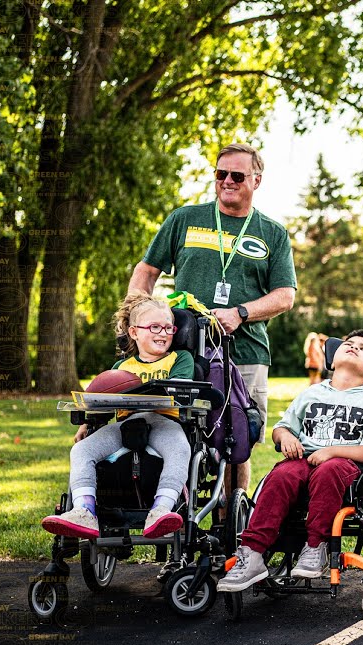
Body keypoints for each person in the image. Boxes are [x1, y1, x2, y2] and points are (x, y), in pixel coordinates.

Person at [129, 142, 297, 497]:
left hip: (246, 352)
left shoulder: (272, 233)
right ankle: (174, 517)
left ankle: (227, 528)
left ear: (256, 180)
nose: (228, 181)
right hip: (182, 352)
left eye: (238, 175)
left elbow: (285, 295)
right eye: (221, 174)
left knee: (237, 441)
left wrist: (241, 313)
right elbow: (146, 270)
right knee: (174, 430)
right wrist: (137, 317)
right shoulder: (184, 219)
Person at [218, 330, 363, 592]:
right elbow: (281, 428)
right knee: (281, 475)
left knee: (328, 471)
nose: (354, 347)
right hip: (303, 458)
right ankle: (251, 552)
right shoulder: (311, 394)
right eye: (348, 344)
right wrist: (285, 437)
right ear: (332, 360)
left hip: (345, 465)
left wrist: (332, 451)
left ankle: (315, 546)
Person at [42, 292, 194, 540]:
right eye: (155, 327)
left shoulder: (180, 358)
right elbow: (103, 400)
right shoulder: (121, 369)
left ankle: (162, 509)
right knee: (81, 450)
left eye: (169, 328)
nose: (163, 333)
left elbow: (181, 387)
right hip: (126, 424)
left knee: (180, 449)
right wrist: (89, 422)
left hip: (164, 422)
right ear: (134, 332)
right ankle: (84, 510)